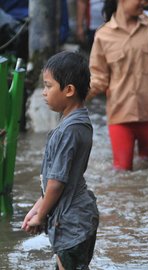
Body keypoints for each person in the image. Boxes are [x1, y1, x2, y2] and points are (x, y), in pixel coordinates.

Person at [21, 51, 99, 269]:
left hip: (72, 221)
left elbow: (57, 182)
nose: (44, 93)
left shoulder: (70, 130)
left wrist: (41, 216)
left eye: (48, 86)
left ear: (69, 90)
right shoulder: (75, 123)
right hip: (76, 217)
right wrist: (37, 209)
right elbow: (56, 182)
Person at [88, 0, 148, 171]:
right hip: (120, 113)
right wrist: (76, 98)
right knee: (121, 171)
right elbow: (99, 78)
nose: (144, 3)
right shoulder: (103, 35)